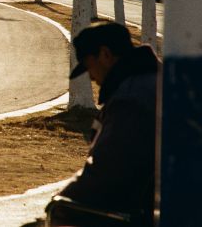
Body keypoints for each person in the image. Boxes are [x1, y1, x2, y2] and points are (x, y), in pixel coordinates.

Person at [46, 21, 161, 227]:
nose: (90, 76)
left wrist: (62, 200)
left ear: (105, 55)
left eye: (89, 65)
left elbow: (107, 171)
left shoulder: (129, 100)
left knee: (62, 211)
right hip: (156, 198)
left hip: (145, 210)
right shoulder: (152, 82)